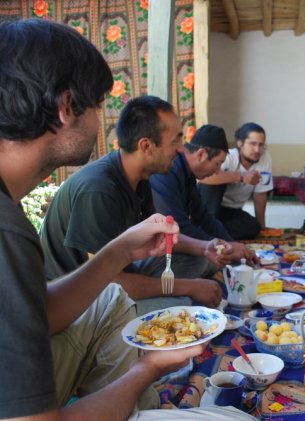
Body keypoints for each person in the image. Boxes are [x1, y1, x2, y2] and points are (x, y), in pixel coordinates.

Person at [0, 18, 205, 420]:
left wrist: (116, 251)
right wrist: (145, 371)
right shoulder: (7, 231)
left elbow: (41, 314)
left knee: (110, 296)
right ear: (66, 107)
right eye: (98, 105)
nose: (102, 121)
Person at [40, 95, 229, 314]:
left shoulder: (139, 177)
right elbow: (109, 283)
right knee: (180, 309)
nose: (181, 149)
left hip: (118, 273)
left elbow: (159, 238)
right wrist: (188, 287)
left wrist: (205, 247)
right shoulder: (99, 190)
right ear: (146, 146)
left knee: (199, 261)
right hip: (77, 300)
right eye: (175, 141)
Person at [150, 124, 257, 264]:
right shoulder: (168, 170)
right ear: (201, 154)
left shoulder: (187, 173)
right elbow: (177, 228)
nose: (218, 171)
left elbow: (203, 217)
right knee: (213, 264)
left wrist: (231, 244)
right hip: (150, 251)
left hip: (174, 237)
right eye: (218, 163)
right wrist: (224, 247)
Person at [197, 122, 273, 240]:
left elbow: (260, 194)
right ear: (240, 142)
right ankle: (205, 230)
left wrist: (262, 227)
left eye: (261, 145)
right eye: (252, 144)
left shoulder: (264, 158)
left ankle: (212, 233)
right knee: (215, 180)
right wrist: (241, 176)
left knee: (253, 227)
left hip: (231, 211)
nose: (257, 150)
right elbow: (203, 178)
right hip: (210, 206)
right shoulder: (228, 157)